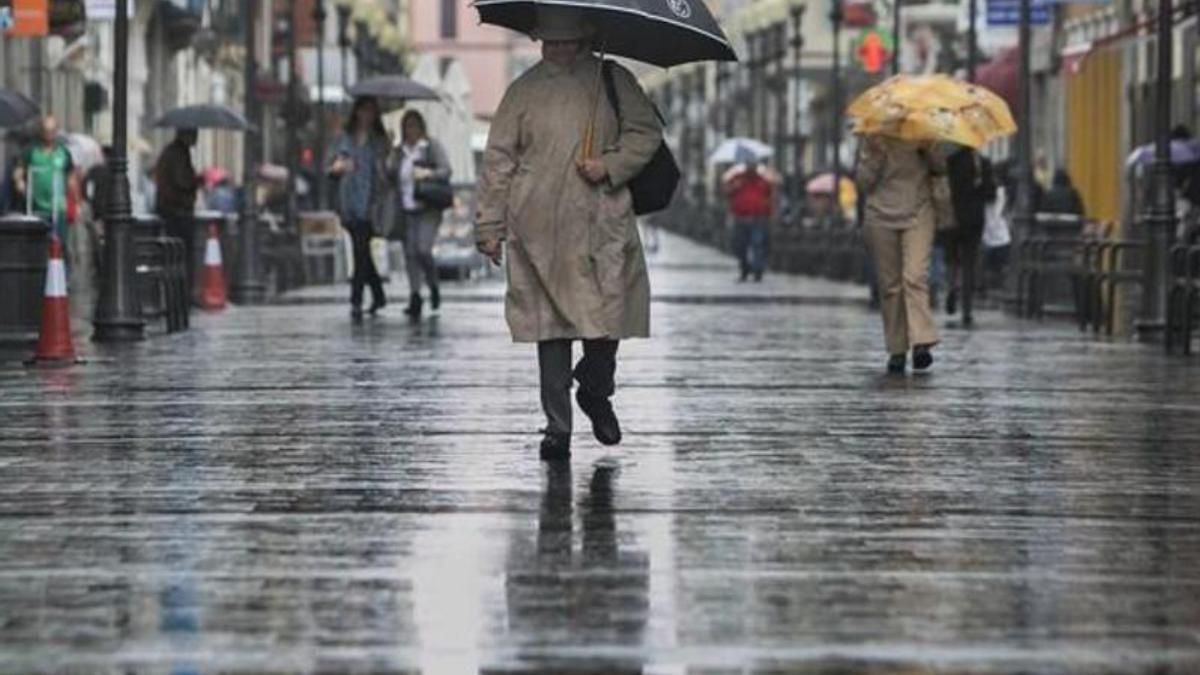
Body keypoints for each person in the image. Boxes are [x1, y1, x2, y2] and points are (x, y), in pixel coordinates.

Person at [474, 6, 662, 462]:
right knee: (550, 329)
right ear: (540, 41)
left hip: (602, 220)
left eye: (567, 42)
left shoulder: (612, 81)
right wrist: (489, 225)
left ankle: (596, 389)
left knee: (607, 319)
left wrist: (610, 165)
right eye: (551, 42)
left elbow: (645, 132)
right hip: (540, 227)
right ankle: (557, 427)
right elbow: (499, 161)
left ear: (582, 39)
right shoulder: (522, 92)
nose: (558, 51)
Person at [855, 135, 944, 374]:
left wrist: (930, 150)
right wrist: (874, 156)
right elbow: (864, 183)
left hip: (918, 212)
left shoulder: (925, 133)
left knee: (915, 276)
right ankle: (897, 349)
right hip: (881, 216)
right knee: (890, 285)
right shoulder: (872, 138)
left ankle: (921, 342)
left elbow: (941, 169)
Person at [329, 96, 390, 321]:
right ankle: (377, 293)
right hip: (348, 201)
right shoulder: (345, 138)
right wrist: (338, 167)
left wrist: (387, 155)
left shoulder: (379, 141)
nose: (366, 116)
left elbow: (385, 174)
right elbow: (331, 165)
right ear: (356, 113)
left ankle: (356, 300)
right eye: (363, 111)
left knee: (359, 250)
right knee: (361, 251)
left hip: (370, 202)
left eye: (371, 112)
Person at [391, 110, 452, 318]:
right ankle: (415, 295)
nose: (411, 131)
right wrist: (390, 153)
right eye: (408, 127)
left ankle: (433, 284)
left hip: (429, 207)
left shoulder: (430, 147)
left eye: (415, 126)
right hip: (406, 207)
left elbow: (446, 170)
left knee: (423, 249)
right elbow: (389, 174)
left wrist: (428, 173)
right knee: (409, 253)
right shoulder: (399, 152)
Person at [944, 146, 996, 326]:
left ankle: (951, 286)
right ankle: (967, 309)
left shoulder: (950, 161)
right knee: (969, 262)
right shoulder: (982, 163)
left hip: (952, 217)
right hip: (974, 219)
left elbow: (944, 188)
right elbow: (991, 195)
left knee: (951, 258)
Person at [14, 116, 79, 244]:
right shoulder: (31, 150)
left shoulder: (63, 152)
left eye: (52, 130)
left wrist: (76, 201)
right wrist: (19, 182)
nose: (49, 134)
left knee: (58, 243)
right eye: (46, 130)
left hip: (58, 207)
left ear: (56, 131)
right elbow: (19, 170)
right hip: (35, 206)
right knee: (35, 244)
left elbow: (71, 177)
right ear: (41, 131)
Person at [155, 128, 202, 292]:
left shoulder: (177, 153)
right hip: (176, 211)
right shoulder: (177, 154)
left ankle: (180, 289)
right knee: (180, 252)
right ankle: (180, 290)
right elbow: (181, 181)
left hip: (173, 210)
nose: (197, 137)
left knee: (178, 252)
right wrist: (196, 180)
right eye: (194, 133)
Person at [724, 161, 774, 282]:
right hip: (741, 218)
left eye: (754, 165)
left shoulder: (763, 180)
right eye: (749, 165)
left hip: (758, 218)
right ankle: (745, 269)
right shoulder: (737, 179)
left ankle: (758, 270)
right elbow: (727, 193)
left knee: (758, 244)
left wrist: (769, 210)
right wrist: (734, 187)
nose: (751, 167)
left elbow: (770, 195)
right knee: (740, 246)